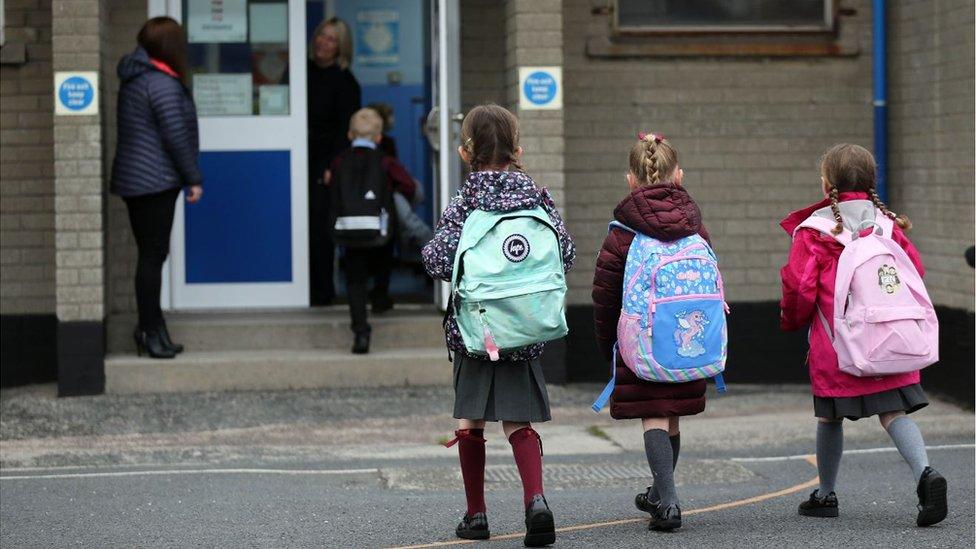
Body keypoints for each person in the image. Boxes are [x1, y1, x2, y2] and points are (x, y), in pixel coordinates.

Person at [422, 104, 575, 546]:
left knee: (471, 421)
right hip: (526, 330)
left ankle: (477, 516)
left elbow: (436, 260)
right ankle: (536, 502)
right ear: (518, 149)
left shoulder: (467, 200)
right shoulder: (537, 196)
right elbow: (565, 254)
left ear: (465, 152)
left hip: (476, 332)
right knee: (519, 421)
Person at [780, 143, 947, 527]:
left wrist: (791, 322)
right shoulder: (888, 225)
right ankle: (925, 474)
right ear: (873, 181)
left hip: (838, 346)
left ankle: (825, 494)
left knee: (830, 419)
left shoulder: (816, 231)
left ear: (826, 184)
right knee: (894, 412)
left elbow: (800, 288)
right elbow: (914, 272)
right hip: (891, 341)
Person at [591, 133, 711, 532]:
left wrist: (607, 343)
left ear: (630, 179)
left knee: (654, 416)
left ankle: (669, 501)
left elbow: (605, 294)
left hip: (641, 342)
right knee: (672, 416)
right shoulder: (696, 229)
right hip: (690, 343)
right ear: (679, 176)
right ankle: (661, 492)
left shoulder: (621, 233)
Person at [111, 17, 202, 359]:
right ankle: (149, 332)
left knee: (151, 256)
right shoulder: (161, 82)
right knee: (152, 257)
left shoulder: (139, 76)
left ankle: (153, 328)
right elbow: (176, 136)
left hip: (139, 180)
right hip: (155, 180)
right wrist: (193, 178)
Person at [326, 109, 416, 354]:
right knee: (384, 259)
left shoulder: (339, 161)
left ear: (349, 135)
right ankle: (380, 297)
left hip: (349, 230)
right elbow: (408, 185)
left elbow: (330, 185)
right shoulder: (385, 162)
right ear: (379, 138)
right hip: (379, 232)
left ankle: (361, 334)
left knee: (354, 281)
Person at [308, 17, 361, 306]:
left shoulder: (346, 82)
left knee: (319, 228)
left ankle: (321, 293)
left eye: (330, 39)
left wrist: (333, 167)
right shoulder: (300, 71)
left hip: (325, 164)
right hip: (294, 157)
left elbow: (345, 131)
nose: (322, 42)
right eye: (320, 35)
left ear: (341, 47)